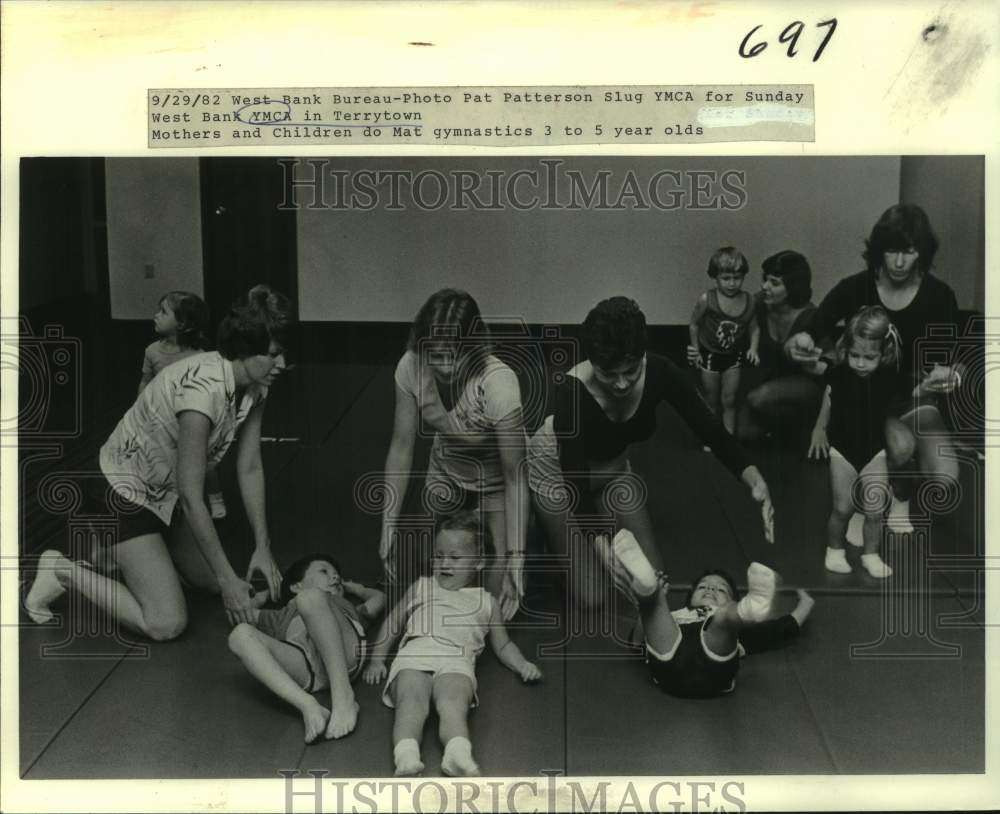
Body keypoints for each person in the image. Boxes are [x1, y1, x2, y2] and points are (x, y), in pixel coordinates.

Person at [25, 285, 293, 639]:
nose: (282, 365)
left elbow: (250, 467)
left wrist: (263, 546)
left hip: (163, 494)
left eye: (283, 354)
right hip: (120, 491)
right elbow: (193, 495)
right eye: (273, 355)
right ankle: (61, 569)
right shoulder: (203, 394)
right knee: (166, 622)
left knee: (213, 582)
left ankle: (121, 557)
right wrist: (230, 580)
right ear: (244, 350)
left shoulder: (257, 385)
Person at [528, 296, 774, 607]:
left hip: (613, 471)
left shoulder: (660, 372)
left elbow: (708, 426)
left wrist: (754, 479)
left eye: (630, 371)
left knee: (651, 582)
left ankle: (590, 533)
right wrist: (602, 549)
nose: (620, 384)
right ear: (593, 362)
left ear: (641, 356)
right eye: (609, 373)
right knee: (595, 597)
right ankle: (546, 536)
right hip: (559, 479)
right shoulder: (571, 394)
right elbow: (575, 482)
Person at [787, 204, 964, 530]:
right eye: (891, 251)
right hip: (863, 395)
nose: (898, 263)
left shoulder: (939, 296)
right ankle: (863, 501)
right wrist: (800, 343)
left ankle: (899, 491)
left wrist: (949, 376)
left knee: (945, 478)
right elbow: (808, 331)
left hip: (912, 395)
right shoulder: (855, 287)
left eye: (908, 252)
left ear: (921, 254)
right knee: (899, 446)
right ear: (879, 251)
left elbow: (951, 362)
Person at [378, 289, 528, 620]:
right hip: (446, 471)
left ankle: (527, 536)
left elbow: (515, 476)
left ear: (473, 347)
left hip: (496, 482)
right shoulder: (411, 365)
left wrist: (517, 557)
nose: (444, 367)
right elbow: (401, 448)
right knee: (422, 567)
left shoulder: (498, 383)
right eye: (436, 355)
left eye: (454, 356)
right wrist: (388, 525)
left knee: (492, 604)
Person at [363, 511, 542, 777]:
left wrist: (522, 664)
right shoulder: (422, 587)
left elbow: (503, 645)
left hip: (457, 659)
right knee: (411, 703)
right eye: (438, 555)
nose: (444, 563)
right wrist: (377, 658)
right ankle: (406, 755)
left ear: (479, 563)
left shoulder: (486, 601)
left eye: (455, 558)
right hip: (416, 652)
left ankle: (457, 754)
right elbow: (393, 622)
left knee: (453, 704)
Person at [597, 529, 814, 698]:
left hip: (713, 667)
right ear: (690, 599)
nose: (710, 589)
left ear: (732, 600)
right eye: (703, 587)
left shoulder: (733, 630)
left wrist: (805, 605)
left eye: (721, 590)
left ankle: (750, 607)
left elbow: (778, 631)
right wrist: (650, 612)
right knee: (655, 609)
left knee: (723, 619)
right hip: (670, 661)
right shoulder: (675, 617)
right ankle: (648, 590)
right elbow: (637, 645)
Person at [228, 553, 386, 742]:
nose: (335, 577)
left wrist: (357, 589)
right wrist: (265, 595)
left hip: (344, 656)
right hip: (306, 665)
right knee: (239, 635)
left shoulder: (344, 606)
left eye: (337, 575)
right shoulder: (281, 615)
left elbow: (380, 598)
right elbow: (240, 613)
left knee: (310, 598)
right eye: (324, 571)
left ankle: (343, 697)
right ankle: (307, 705)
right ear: (295, 586)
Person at [808, 307, 918, 577]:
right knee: (842, 508)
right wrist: (819, 428)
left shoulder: (889, 377)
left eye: (869, 357)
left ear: (884, 353)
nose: (860, 363)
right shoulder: (840, 373)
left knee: (875, 509)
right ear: (846, 349)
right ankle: (834, 550)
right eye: (855, 355)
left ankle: (871, 554)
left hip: (874, 452)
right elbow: (829, 397)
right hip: (842, 451)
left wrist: (932, 386)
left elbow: (913, 391)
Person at [138, 290, 227, 520]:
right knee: (164, 460)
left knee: (204, 462)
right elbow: (146, 382)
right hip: (163, 418)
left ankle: (215, 497)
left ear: (183, 324)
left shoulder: (198, 354)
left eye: (163, 312)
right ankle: (171, 500)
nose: (156, 315)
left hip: (191, 416)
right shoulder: (152, 351)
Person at [737, 250, 823, 442]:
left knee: (758, 398)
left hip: (808, 384)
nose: (764, 286)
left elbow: (830, 365)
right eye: (765, 279)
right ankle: (789, 429)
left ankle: (809, 425)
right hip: (772, 379)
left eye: (774, 283)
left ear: (793, 287)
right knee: (744, 433)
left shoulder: (811, 317)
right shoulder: (760, 303)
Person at [687, 247, 760, 433]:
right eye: (726, 278)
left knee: (729, 400)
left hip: (733, 356)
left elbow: (754, 327)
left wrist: (753, 348)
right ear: (715, 278)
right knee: (711, 399)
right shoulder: (707, 299)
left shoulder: (749, 301)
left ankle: (728, 440)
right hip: (709, 354)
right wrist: (695, 350)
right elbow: (694, 324)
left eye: (737, 278)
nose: (732, 284)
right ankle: (712, 437)